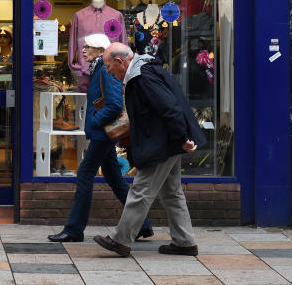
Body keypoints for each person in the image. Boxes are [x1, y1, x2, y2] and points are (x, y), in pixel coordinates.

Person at [94, 42, 206, 258]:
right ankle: (185, 242)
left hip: (163, 143)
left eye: (109, 67)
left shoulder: (142, 77)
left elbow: (169, 108)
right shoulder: (146, 70)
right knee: (172, 192)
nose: (108, 71)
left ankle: (121, 240)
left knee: (141, 190)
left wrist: (182, 138)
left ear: (120, 61)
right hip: (168, 141)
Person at [48, 33, 153, 243]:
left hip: (103, 134)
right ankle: (143, 224)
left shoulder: (104, 70)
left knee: (85, 173)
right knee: (114, 176)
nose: (83, 50)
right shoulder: (97, 69)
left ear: (99, 49)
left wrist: (94, 121)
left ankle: (74, 229)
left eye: (87, 47)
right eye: (83, 46)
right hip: (103, 133)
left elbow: (114, 105)